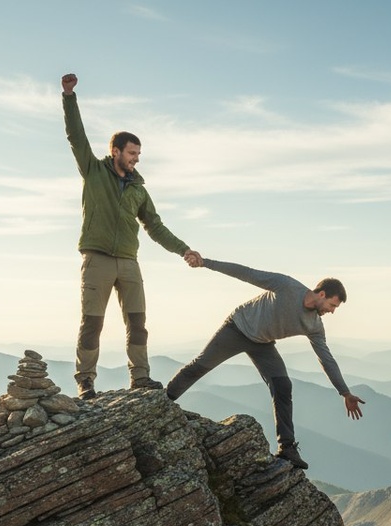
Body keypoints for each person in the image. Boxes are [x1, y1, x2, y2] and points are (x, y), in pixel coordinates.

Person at [61, 72, 197, 399]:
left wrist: (184, 250)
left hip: (129, 262)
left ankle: (141, 378)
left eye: (138, 154)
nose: (136, 159)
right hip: (97, 260)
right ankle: (86, 383)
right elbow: (75, 136)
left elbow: (156, 226)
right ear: (117, 151)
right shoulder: (94, 171)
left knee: (138, 323)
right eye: (132, 153)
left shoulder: (138, 189)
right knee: (92, 324)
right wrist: (69, 97)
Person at [167, 253, 366, 469]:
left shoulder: (315, 325)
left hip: (263, 343)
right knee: (200, 365)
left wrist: (344, 392)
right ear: (322, 293)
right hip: (238, 327)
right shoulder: (286, 286)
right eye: (332, 305)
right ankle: (164, 401)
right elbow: (246, 274)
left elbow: (326, 358)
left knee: (282, 386)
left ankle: (287, 448)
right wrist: (205, 263)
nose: (332, 311)